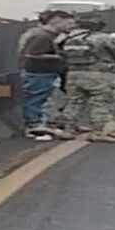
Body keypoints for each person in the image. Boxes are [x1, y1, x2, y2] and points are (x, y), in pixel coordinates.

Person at [58, 17, 115, 142]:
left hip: (73, 73)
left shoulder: (65, 39)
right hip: (100, 75)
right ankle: (97, 132)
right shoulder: (103, 38)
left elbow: (61, 54)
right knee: (102, 103)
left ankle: (68, 130)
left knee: (74, 102)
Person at [18, 10, 74, 139]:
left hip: (47, 72)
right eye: (68, 23)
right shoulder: (42, 36)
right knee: (36, 98)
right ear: (56, 21)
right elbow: (32, 54)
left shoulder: (51, 36)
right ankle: (34, 125)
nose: (71, 27)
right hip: (39, 72)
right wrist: (60, 56)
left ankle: (42, 124)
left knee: (45, 99)